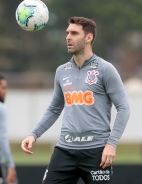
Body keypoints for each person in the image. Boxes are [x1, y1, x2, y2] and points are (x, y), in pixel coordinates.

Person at [21, 16, 130, 184]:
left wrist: (111, 144)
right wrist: (34, 135)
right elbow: (54, 108)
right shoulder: (61, 71)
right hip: (65, 150)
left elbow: (124, 108)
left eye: (74, 33)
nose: (68, 37)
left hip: (97, 152)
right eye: (67, 33)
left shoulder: (105, 69)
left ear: (89, 38)